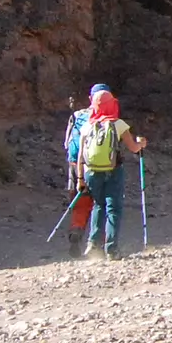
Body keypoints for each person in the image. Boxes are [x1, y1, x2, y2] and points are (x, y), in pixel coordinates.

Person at [79, 90, 148, 261]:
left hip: (91, 172)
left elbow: (80, 156)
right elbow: (133, 148)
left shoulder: (87, 125)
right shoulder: (118, 124)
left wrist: (80, 178)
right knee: (113, 209)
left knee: (98, 206)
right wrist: (141, 144)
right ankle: (111, 249)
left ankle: (93, 244)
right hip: (113, 171)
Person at [60, 86, 107, 256]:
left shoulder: (77, 115)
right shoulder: (105, 118)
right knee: (100, 203)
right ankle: (98, 243)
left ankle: (76, 230)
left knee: (80, 202)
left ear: (90, 98)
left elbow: (67, 142)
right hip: (94, 165)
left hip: (74, 163)